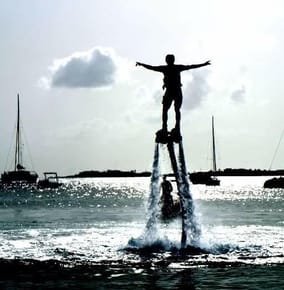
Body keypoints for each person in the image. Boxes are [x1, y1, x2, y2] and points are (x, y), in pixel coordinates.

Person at [136, 54, 211, 134]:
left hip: (171, 91)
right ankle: (174, 127)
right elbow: (191, 66)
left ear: (167, 60)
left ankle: (166, 127)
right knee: (175, 110)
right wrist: (204, 64)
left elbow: (152, 67)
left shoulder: (166, 68)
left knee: (167, 110)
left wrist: (142, 64)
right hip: (176, 91)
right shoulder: (175, 68)